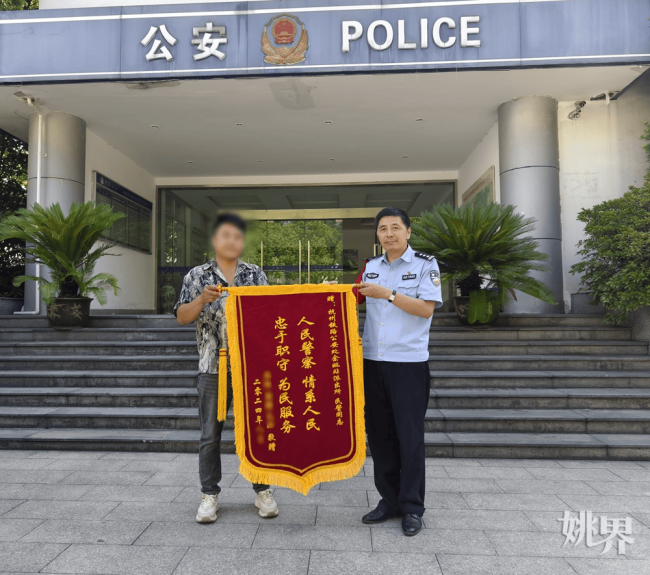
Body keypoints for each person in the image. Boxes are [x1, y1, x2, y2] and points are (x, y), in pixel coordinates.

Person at [174, 213, 279, 523]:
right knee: (210, 434)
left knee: (258, 431)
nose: (232, 241)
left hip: (251, 368)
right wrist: (202, 301)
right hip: (211, 367)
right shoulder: (197, 276)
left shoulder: (255, 274)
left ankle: (263, 490)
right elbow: (181, 316)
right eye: (225, 235)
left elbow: (271, 316)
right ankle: (209, 495)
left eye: (237, 236)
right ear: (214, 240)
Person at [357, 206, 443, 536]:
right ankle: (389, 500)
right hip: (373, 364)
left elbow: (424, 310)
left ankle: (411, 507)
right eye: (382, 229)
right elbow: (352, 303)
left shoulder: (425, 265)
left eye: (395, 227)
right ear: (377, 235)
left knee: (409, 439)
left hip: (408, 364)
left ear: (408, 232)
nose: (389, 233)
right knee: (380, 437)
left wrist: (388, 294)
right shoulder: (371, 267)